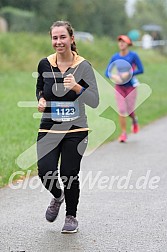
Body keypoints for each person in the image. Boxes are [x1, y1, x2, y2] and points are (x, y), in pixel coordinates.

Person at [36, 20, 99, 233]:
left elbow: (94, 100)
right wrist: (41, 99)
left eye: (63, 37)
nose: (58, 41)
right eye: (55, 37)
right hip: (49, 128)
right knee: (45, 171)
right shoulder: (45, 64)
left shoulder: (84, 66)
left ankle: (71, 216)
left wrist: (76, 87)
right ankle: (57, 196)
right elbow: (40, 89)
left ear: (72, 39)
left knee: (68, 173)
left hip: (76, 129)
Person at [105, 35, 144, 142]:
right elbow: (107, 72)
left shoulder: (133, 55)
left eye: (123, 42)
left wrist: (130, 73)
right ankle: (123, 133)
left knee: (130, 110)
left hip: (131, 86)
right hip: (119, 86)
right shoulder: (115, 57)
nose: (121, 43)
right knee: (122, 110)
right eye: (120, 42)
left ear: (128, 44)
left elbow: (141, 69)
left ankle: (134, 120)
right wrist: (114, 76)